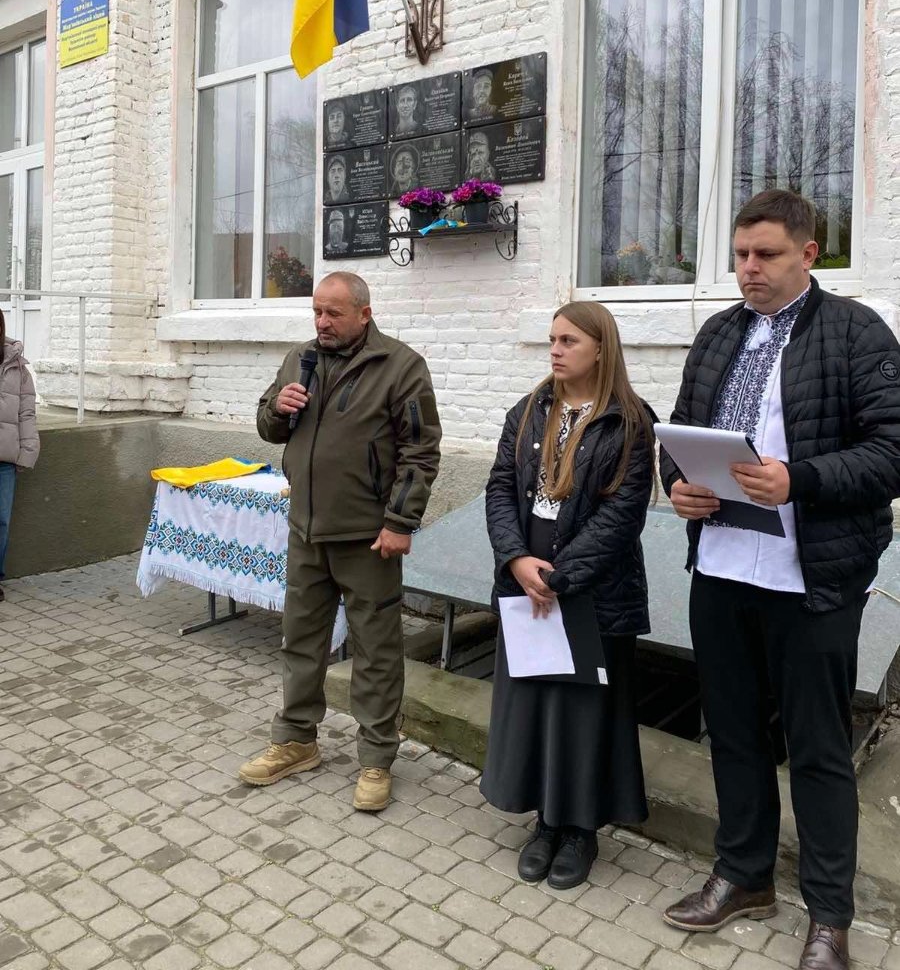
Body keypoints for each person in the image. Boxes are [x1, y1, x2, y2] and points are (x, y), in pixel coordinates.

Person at [659, 190, 900, 970]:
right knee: (732, 732)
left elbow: (892, 451)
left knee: (818, 748)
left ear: (809, 252)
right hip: (722, 567)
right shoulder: (718, 334)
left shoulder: (856, 332)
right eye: (740, 255)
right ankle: (743, 875)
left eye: (765, 254)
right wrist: (677, 486)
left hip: (811, 579)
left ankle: (830, 916)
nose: (749, 269)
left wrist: (800, 480)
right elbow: (679, 436)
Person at [241, 272, 442, 811]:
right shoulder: (299, 358)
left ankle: (376, 758)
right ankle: (296, 740)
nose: (322, 323)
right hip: (306, 530)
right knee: (300, 640)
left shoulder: (400, 366)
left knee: (376, 650)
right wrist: (276, 409)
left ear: (364, 313)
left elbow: (420, 451)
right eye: (316, 312)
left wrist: (400, 522)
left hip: (367, 537)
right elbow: (268, 427)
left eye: (333, 313)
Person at [481, 302, 655, 890]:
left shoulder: (629, 421)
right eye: (552, 339)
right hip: (526, 578)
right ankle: (546, 821)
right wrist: (516, 559)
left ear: (601, 349)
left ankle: (581, 830)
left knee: (584, 711)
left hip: (591, 588)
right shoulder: (530, 409)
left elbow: (622, 513)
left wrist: (559, 579)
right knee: (538, 700)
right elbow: (500, 489)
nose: (554, 350)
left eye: (568, 341)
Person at [0, 313, 39, 602]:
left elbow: (27, 413)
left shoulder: (17, 367)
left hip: (4, 460)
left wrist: (27, 453)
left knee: (1, 521)